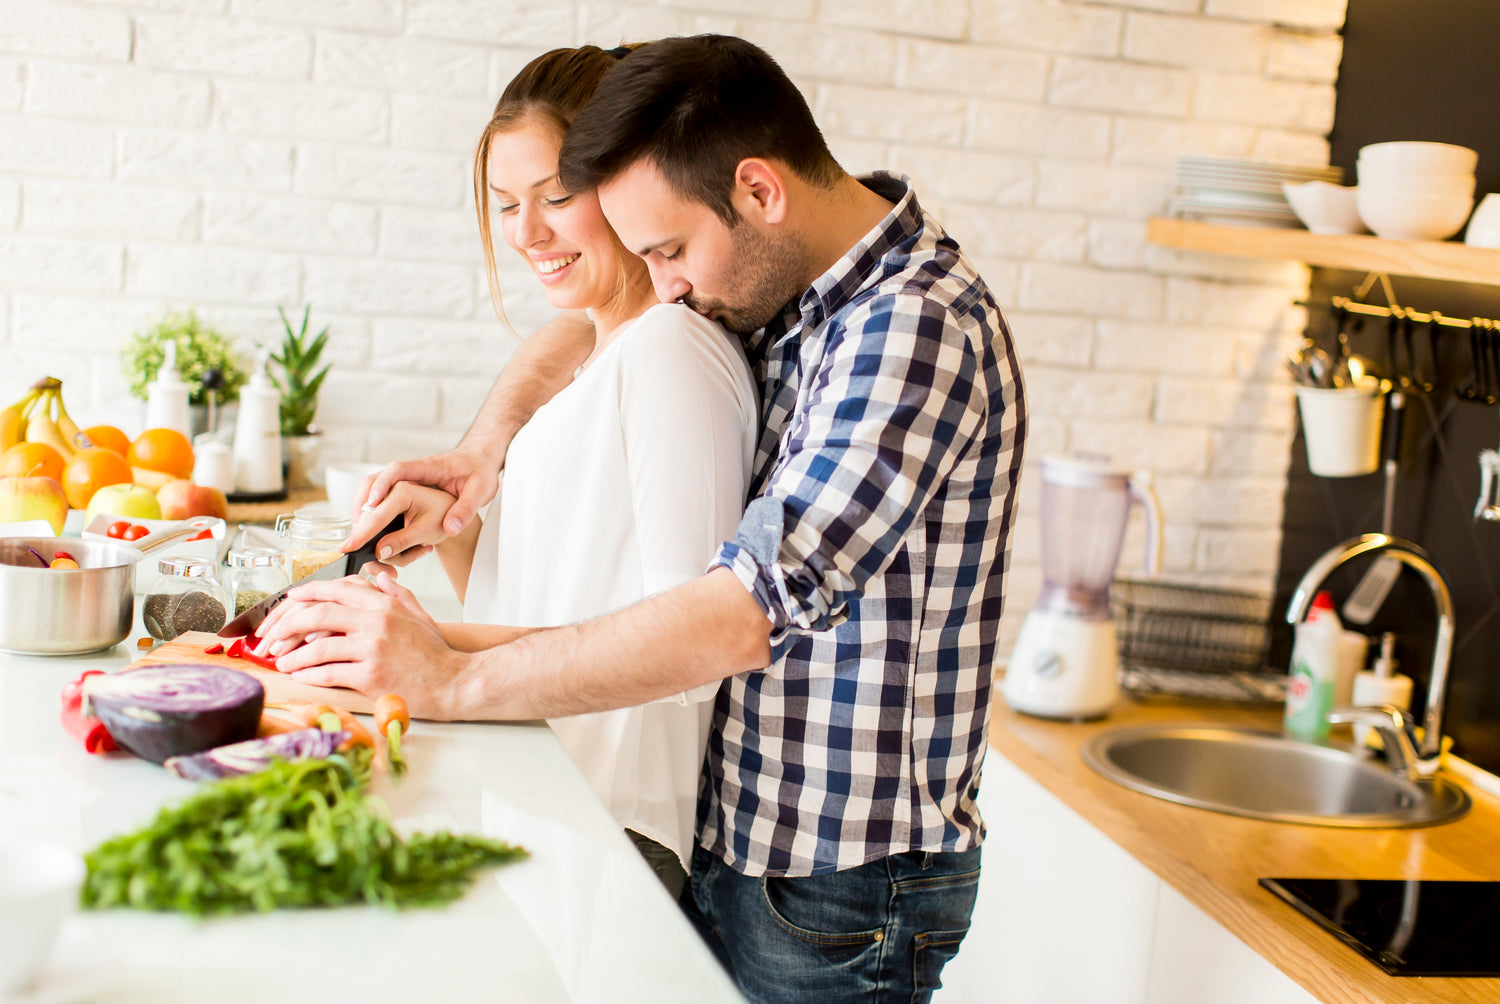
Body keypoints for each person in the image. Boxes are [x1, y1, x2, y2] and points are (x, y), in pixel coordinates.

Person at [258, 34, 1026, 1004]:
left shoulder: (908, 327)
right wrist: (479, 464)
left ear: (759, 191)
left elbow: (730, 617)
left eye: (666, 247)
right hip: (745, 838)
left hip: (838, 871)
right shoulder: (794, 284)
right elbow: (594, 328)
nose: (666, 281)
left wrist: (446, 670)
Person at [351, 44, 760, 895]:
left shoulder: (671, 355)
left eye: (557, 198)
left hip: (614, 819)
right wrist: (452, 525)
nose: (526, 233)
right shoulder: (599, 355)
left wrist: (431, 654)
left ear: (626, 185)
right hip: (540, 787)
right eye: (506, 205)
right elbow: (530, 599)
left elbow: (687, 643)